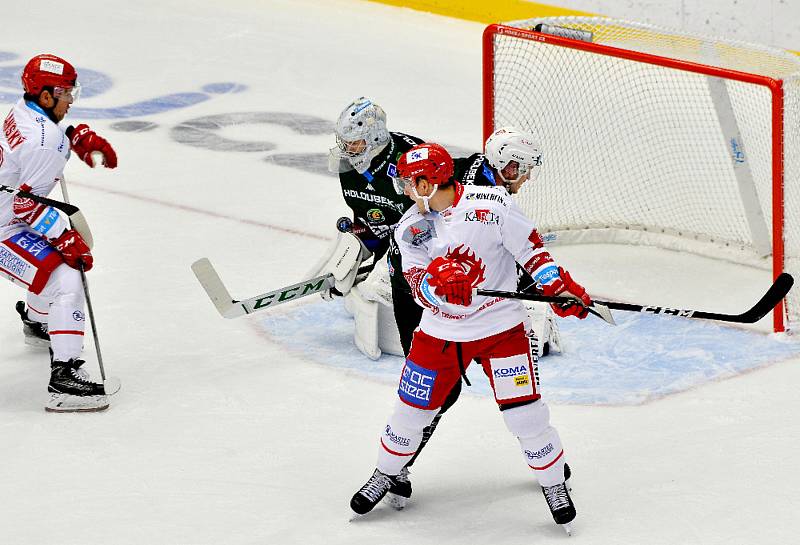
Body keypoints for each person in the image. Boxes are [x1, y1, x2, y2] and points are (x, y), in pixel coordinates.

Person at [349, 143, 592, 534]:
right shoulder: (409, 227)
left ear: (429, 182)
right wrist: (436, 286)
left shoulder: (492, 205)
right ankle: (386, 472)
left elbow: (533, 254)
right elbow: (414, 283)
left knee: (525, 414)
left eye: (411, 184)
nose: (406, 192)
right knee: (409, 413)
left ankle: (553, 483)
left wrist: (559, 290)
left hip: (501, 330)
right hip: (439, 334)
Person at [0, 53, 118, 412]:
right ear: (47, 96)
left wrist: (73, 135)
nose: (72, 99)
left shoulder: (24, 110)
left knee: (50, 260)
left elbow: (41, 140)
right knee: (68, 275)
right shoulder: (44, 141)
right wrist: (63, 237)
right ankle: (64, 380)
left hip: (7, 216)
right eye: (66, 93)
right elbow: (26, 206)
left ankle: (39, 322)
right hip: (4, 224)